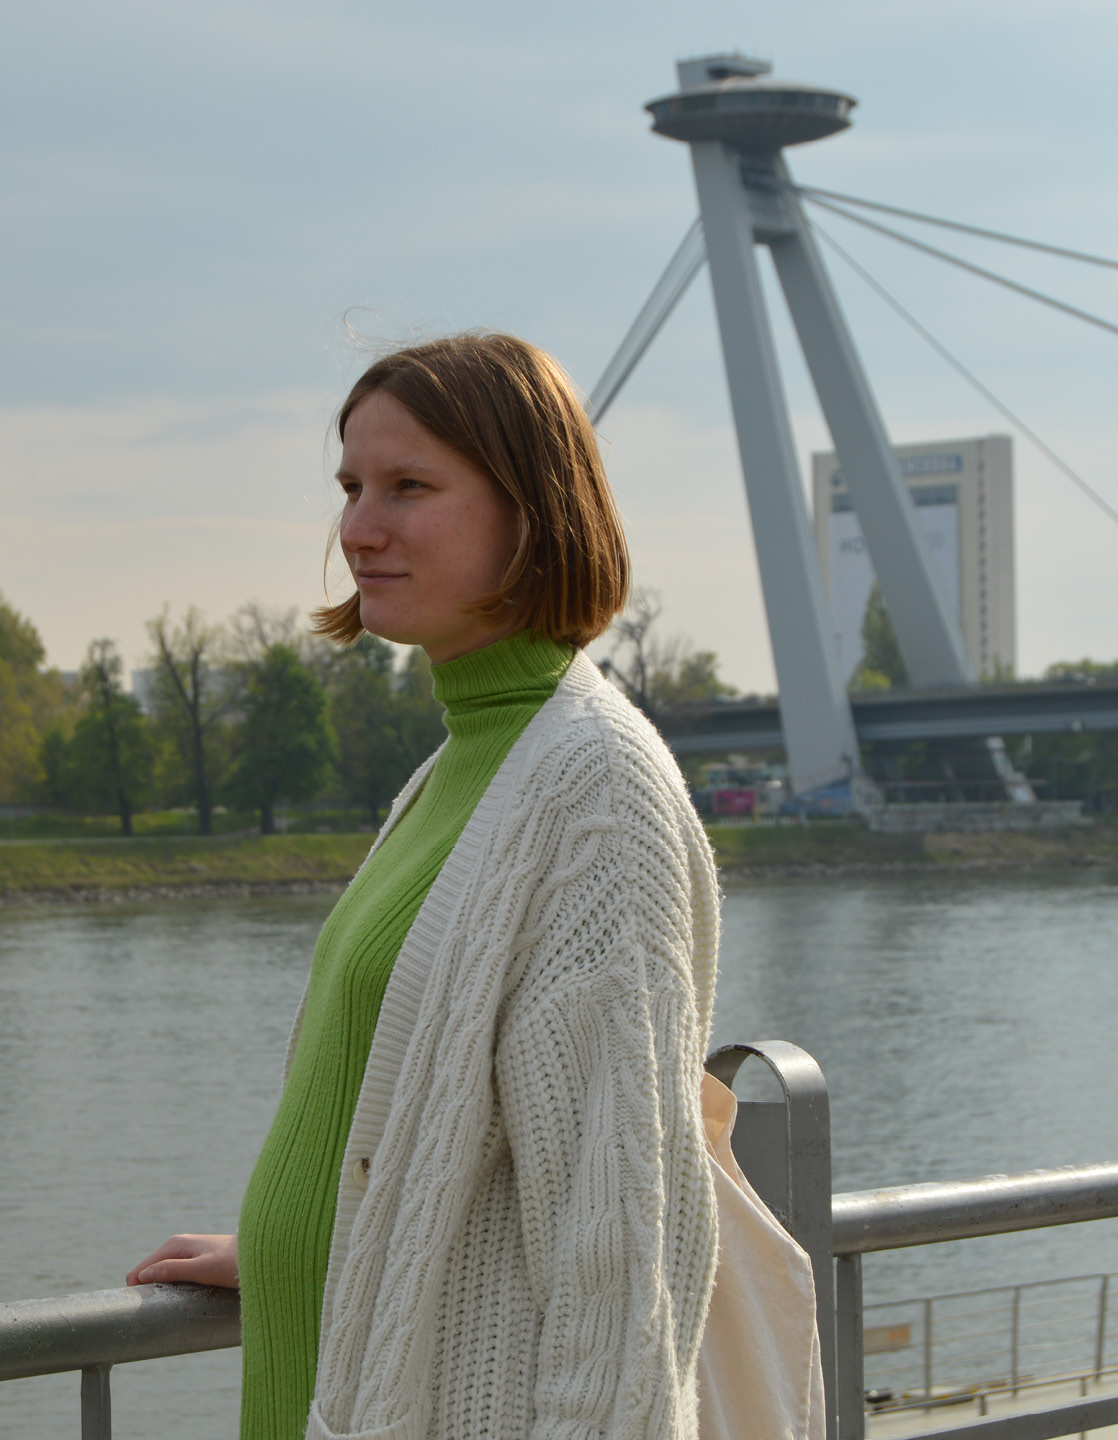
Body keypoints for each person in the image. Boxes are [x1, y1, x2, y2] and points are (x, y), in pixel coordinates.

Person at [129, 332, 721, 1440]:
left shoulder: (592, 792)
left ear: (533, 508)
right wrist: (297, 1243)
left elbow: (620, 1248)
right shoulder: (460, 765)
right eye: (352, 487)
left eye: (410, 487)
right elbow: (425, 1114)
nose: (359, 528)